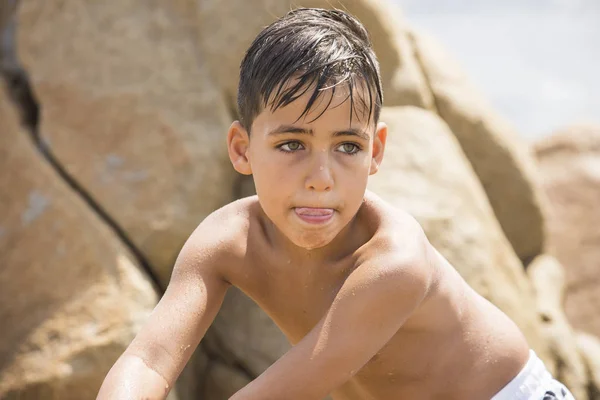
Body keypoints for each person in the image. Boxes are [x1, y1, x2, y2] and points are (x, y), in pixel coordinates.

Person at [97, 8, 575, 400]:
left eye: (348, 146)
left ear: (376, 152)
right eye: (291, 145)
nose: (321, 179)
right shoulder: (226, 241)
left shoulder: (394, 261)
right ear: (242, 149)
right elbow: (147, 360)